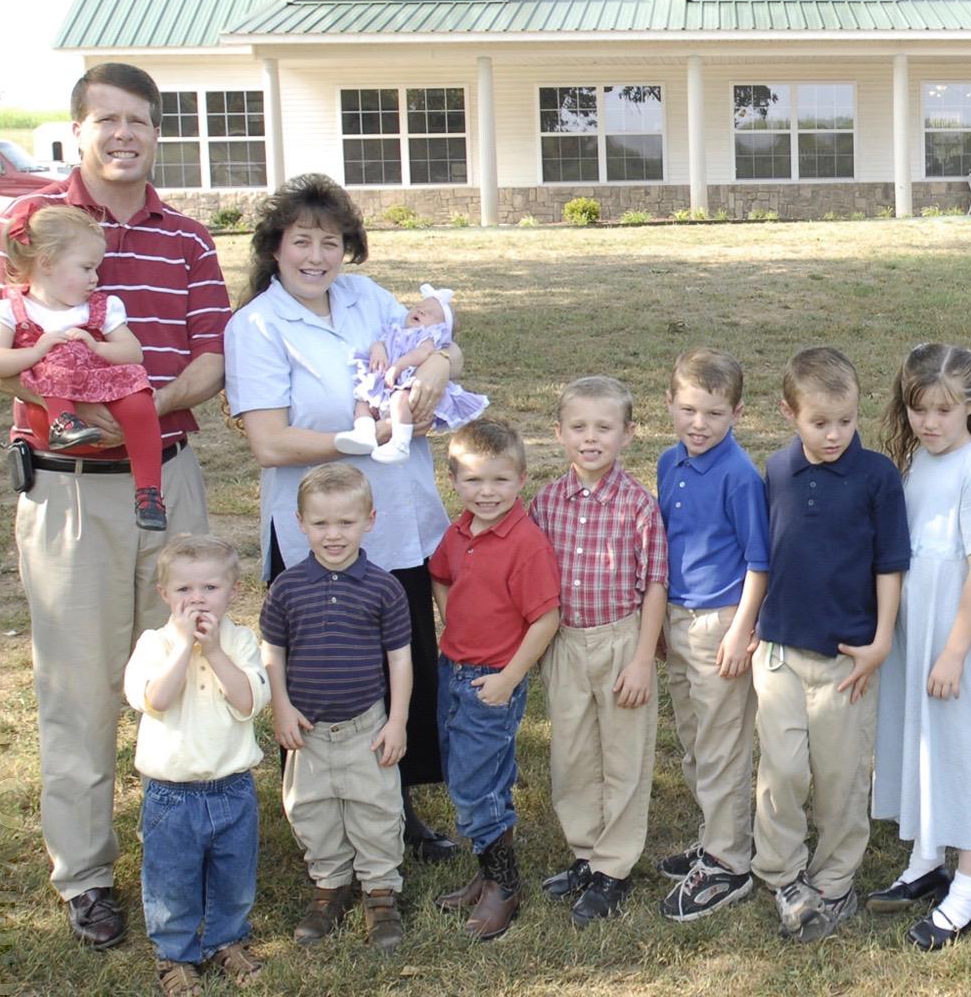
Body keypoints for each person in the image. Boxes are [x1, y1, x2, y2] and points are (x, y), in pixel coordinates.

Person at [0, 62, 229, 949]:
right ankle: (86, 877)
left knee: (182, 666)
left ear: (156, 133)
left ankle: (180, 849)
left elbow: (211, 360)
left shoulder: (186, 241)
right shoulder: (23, 228)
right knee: (77, 691)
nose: (123, 134)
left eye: (139, 121)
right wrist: (57, 385)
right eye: (106, 119)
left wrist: (136, 396)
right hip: (66, 491)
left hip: (167, 479)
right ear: (77, 130)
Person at [224, 172, 460, 866]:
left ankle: (398, 806)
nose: (317, 257)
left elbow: (436, 335)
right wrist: (354, 443)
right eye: (302, 241)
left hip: (395, 521)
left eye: (331, 242)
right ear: (274, 248)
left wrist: (441, 366)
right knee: (335, 670)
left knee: (403, 656)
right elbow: (268, 441)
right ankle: (324, 813)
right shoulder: (258, 326)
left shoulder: (364, 296)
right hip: (322, 533)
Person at [728, 347, 910, 944]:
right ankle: (782, 874)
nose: (834, 435)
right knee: (781, 769)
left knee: (841, 774)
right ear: (789, 412)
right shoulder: (776, 470)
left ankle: (835, 880)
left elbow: (889, 564)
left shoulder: (877, 476)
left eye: (847, 421)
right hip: (780, 650)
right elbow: (767, 555)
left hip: (847, 658)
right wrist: (751, 624)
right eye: (819, 422)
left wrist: (882, 640)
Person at [869, 343, 971, 949]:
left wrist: (955, 650)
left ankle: (970, 881)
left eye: (942, 411)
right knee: (919, 739)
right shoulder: (917, 462)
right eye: (917, 410)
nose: (928, 423)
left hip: (955, 632)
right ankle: (927, 857)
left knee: (958, 749)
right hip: (915, 627)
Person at [529, 376, 670, 928]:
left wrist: (641, 657)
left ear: (628, 434)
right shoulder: (545, 503)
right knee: (573, 754)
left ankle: (614, 866)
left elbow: (655, 583)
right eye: (579, 428)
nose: (591, 439)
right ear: (559, 433)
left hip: (620, 639)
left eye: (604, 428)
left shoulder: (638, 505)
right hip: (565, 642)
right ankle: (586, 853)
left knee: (624, 755)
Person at [263, 464, 415, 952]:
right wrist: (280, 707)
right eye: (321, 523)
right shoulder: (286, 588)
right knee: (312, 810)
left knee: (376, 808)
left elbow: (400, 658)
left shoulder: (383, 587)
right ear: (300, 523)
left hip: (365, 726)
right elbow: (273, 652)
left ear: (369, 520)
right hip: (306, 728)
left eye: (345, 523)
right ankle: (330, 884)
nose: (334, 535)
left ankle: (380, 892)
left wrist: (397, 721)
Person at [427, 419, 563, 940]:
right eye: (474, 481)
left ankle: (504, 887)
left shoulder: (524, 543)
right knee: (469, 771)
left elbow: (546, 619)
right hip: (452, 668)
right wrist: (454, 620)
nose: (487, 493)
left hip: (492, 680)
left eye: (500, 481)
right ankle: (486, 877)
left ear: (522, 478)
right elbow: (440, 576)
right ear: (455, 481)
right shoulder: (458, 532)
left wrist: (508, 677)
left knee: (474, 784)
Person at [121, 535, 269, 997]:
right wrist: (185, 647)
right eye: (184, 590)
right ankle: (176, 955)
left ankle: (227, 939)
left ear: (233, 592)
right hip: (172, 792)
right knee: (172, 878)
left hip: (232, 786)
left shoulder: (243, 642)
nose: (197, 599)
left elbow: (248, 702)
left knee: (233, 874)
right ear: (164, 594)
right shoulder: (154, 645)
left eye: (209, 588)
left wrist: (216, 652)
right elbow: (155, 700)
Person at [657, 347, 771, 922]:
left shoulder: (740, 477)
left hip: (721, 623)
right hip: (678, 619)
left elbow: (759, 562)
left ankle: (729, 864)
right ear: (670, 405)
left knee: (723, 744)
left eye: (714, 414)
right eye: (688, 410)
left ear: (737, 413)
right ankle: (714, 837)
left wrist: (740, 631)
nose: (698, 425)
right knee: (695, 738)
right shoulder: (666, 463)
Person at [0, 205, 166, 529]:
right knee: (56, 355)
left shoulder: (101, 307)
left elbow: (133, 353)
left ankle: (149, 492)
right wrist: (38, 350)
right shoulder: (10, 309)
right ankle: (65, 423)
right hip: (50, 408)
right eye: (87, 268)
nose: (95, 279)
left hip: (101, 389)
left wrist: (95, 345)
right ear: (46, 263)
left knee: (139, 397)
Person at [342, 284, 490, 464]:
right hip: (386, 383)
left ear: (441, 326)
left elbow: (422, 353)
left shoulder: (428, 336)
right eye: (419, 307)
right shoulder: (397, 330)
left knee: (399, 401)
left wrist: (398, 366)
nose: (420, 310)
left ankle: (400, 442)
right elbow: (379, 343)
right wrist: (378, 351)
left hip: (406, 381)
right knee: (362, 403)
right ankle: (363, 432)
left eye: (429, 312)